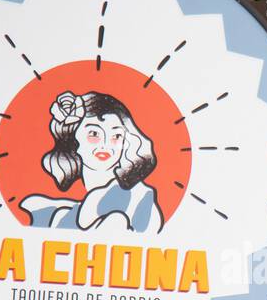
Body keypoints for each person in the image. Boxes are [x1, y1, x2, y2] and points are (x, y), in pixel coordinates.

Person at [20, 90, 163, 233]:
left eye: (116, 136)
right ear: (73, 138)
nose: (105, 145)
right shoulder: (57, 213)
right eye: (94, 134)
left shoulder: (140, 199)